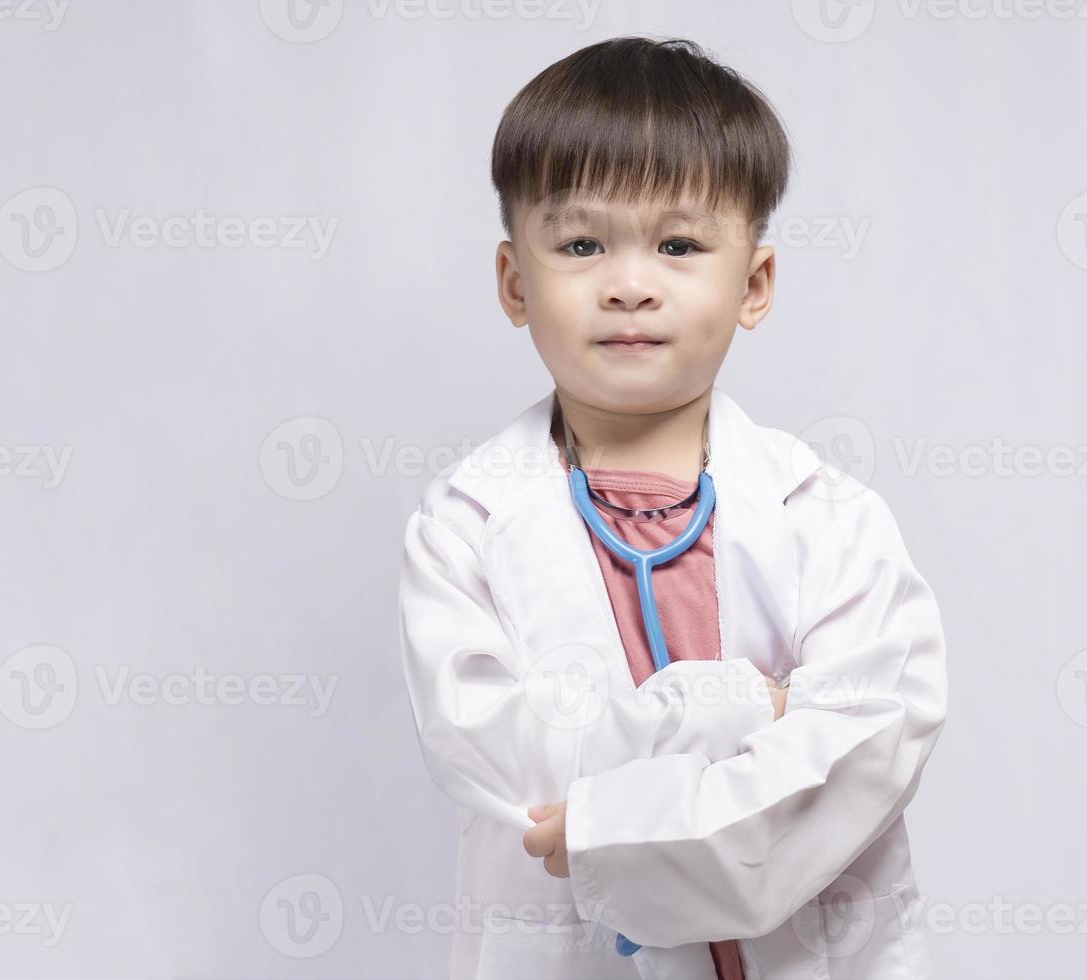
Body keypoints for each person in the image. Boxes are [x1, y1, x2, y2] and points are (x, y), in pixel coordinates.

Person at [397, 35, 948, 980]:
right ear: (514, 284)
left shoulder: (829, 518)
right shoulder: (464, 528)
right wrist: (746, 706)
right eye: (579, 243)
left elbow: (866, 749)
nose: (628, 282)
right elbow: (508, 763)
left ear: (754, 285)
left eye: (680, 244)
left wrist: (615, 827)